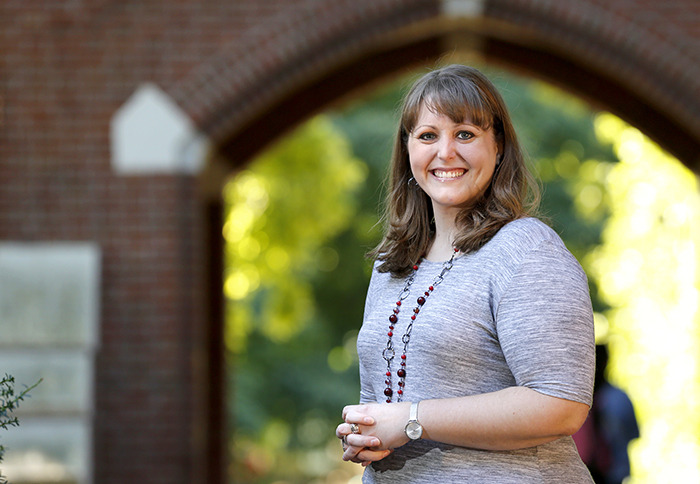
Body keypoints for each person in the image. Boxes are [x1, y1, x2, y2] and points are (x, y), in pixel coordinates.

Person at [335, 64, 596, 482]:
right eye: (427, 136)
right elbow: (384, 408)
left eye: (465, 134)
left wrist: (412, 419)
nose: (445, 152)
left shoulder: (527, 250)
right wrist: (363, 433)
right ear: (407, 152)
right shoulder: (392, 264)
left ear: (499, 147)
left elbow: (561, 403)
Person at [573, 344, 639, 484]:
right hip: (578, 472)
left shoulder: (618, 399)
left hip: (612, 473)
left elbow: (632, 435)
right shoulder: (570, 399)